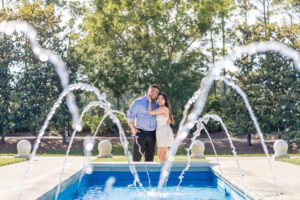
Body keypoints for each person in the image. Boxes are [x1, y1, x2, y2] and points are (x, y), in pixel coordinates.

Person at [127, 84, 160, 162]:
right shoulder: (138, 102)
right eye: (152, 91)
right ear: (148, 91)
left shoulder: (157, 104)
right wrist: (133, 128)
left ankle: (147, 174)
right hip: (140, 132)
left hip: (153, 134)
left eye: (156, 92)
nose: (154, 94)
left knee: (149, 159)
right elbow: (130, 115)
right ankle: (134, 174)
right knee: (136, 158)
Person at [148, 92, 174, 162]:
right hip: (161, 131)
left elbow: (150, 112)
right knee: (165, 154)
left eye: (162, 98)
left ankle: (165, 170)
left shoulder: (164, 109)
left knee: (160, 154)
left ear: (165, 100)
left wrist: (150, 102)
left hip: (164, 132)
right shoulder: (161, 108)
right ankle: (166, 170)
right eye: (158, 98)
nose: (160, 100)